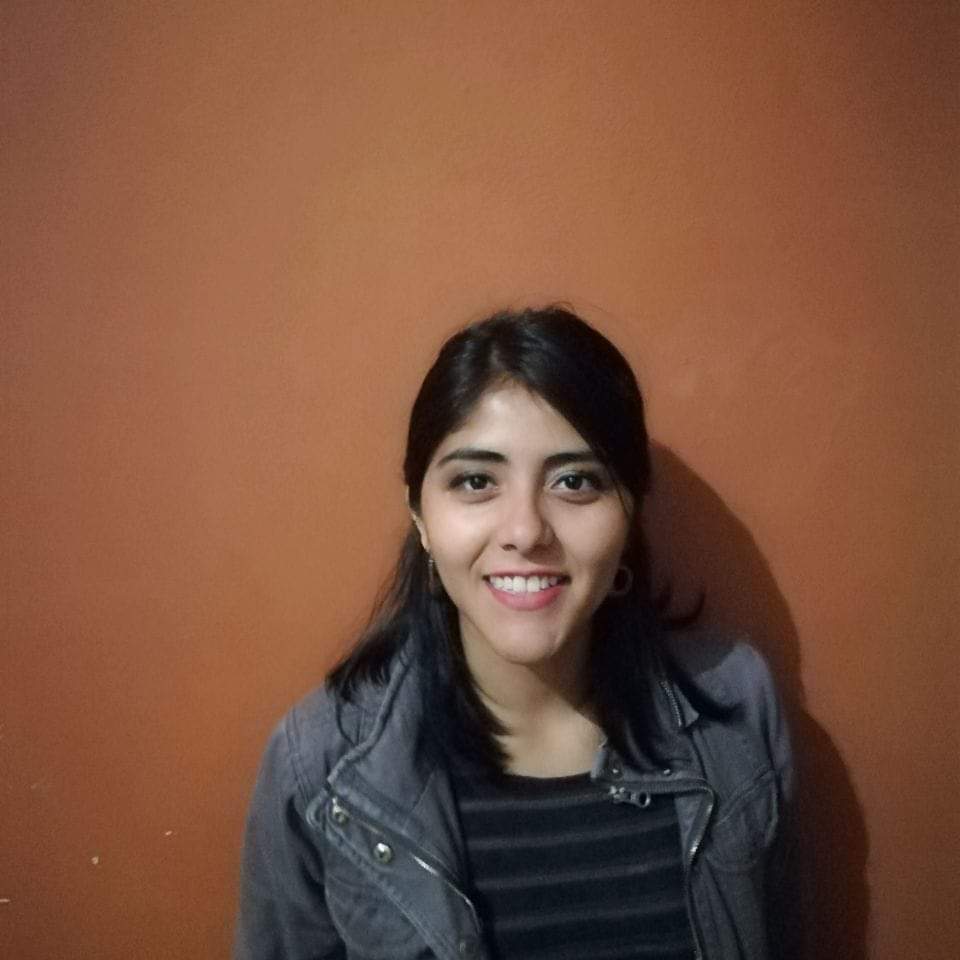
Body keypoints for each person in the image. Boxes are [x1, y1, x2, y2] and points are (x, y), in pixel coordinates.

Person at [234, 307, 796, 960]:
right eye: (476, 481)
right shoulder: (318, 763)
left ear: (630, 512)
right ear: (420, 515)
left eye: (575, 481)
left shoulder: (735, 710)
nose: (526, 531)